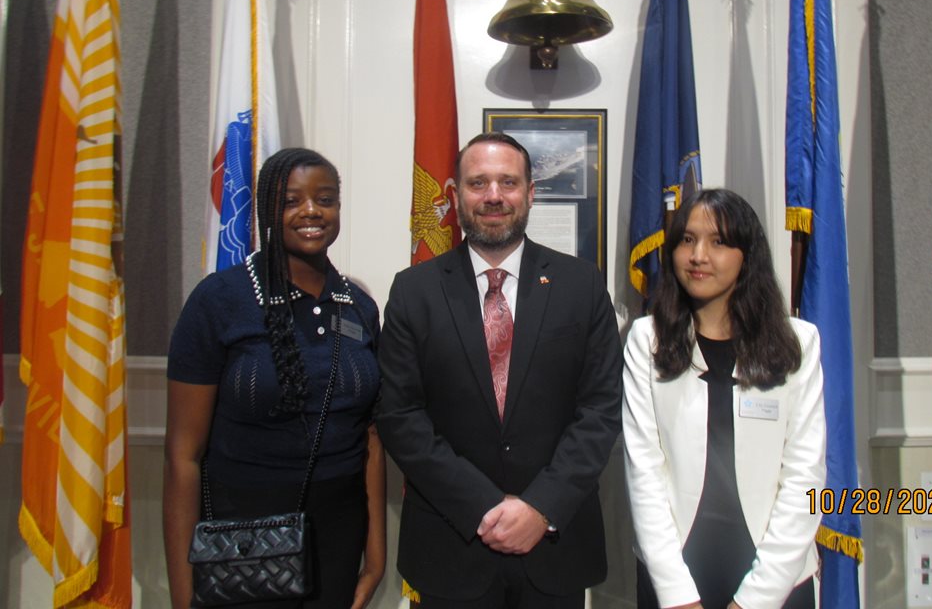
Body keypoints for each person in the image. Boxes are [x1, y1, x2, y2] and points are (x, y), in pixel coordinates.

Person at [376, 132, 622, 608]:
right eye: (478, 183)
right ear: (455, 195)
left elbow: (600, 410)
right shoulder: (414, 291)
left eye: (508, 182)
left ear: (530, 193)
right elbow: (400, 416)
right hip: (452, 547)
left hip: (554, 547)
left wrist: (540, 506)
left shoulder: (582, 286)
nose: (493, 196)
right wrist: (482, 506)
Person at [163, 148, 385, 609]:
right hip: (242, 533)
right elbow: (183, 456)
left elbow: (371, 437)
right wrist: (183, 593)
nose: (311, 211)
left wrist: (377, 556)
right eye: (291, 200)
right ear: (267, 208)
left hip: (339, 529)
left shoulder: (360, 307)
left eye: (325, 199)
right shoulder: (219, 300)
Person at [622, 188, 825, 609]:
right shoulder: (646, 339)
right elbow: (644, 473)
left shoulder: (799, 342)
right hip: (674, 578)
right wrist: (676, 595)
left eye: (718, 242)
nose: (698, 256)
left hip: (777, 579)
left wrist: (757, 599)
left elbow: (805, 478)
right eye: (687, 240)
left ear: (747, 255)